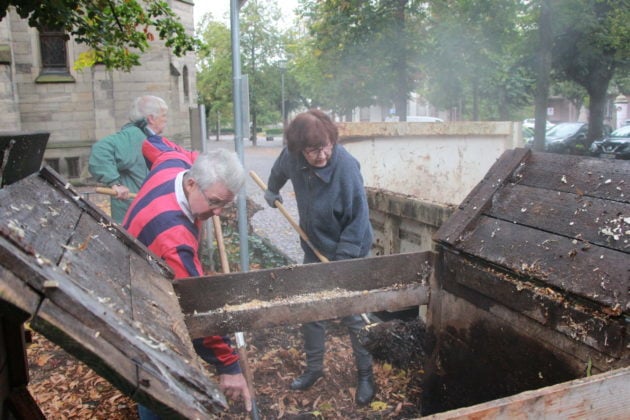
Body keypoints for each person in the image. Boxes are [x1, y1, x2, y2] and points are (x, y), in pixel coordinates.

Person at [122, 134, 251, 417]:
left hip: (140, 268)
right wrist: (228, 366)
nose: (218, 212)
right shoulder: (173, 239)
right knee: (160, 368)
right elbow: (195, 309)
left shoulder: (175, 162)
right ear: (192, 183)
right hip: (140, 293)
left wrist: (197, 160)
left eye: (225, 204)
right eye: (215, 202)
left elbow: (151, 143)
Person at [263, 109, 376, 406]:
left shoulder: (346, 167)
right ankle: (314, 369)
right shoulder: (293, 157)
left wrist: (341, 263)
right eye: (313, 149)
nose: (322, 154)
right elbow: (279, 170)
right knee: (311, 309)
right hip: (315, 247)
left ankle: (366, 375)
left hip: (349, 249)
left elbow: (358, 220)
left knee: (353, 313)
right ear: (299, 148)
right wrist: (272, 190)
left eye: (326, 146)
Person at [88, 95, 168, 223]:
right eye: (164, 115)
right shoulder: (133, 137)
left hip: (144, 216)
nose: (166, 119)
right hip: (133, 220)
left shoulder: (145, 137)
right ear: (151, 119)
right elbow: (100, 150)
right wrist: (115, 184)